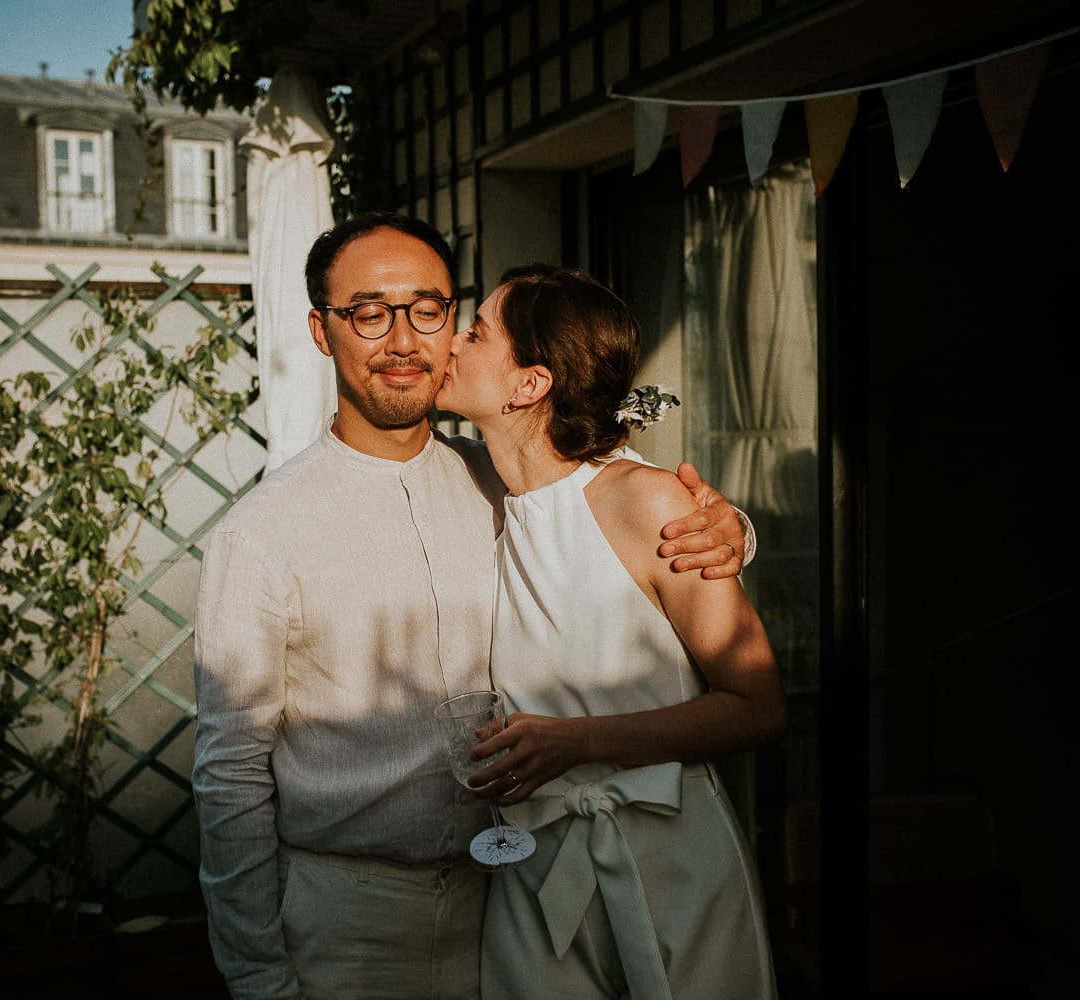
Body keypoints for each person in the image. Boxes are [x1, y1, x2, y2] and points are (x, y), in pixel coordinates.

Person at [192, 212, 753, 1000]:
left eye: (428, 310)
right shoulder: (260, 535)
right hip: (347, 927)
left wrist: (728, 529)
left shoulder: (503, 483)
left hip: (507, 902)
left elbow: (608, 506)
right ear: (323, 332)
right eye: (368, 312)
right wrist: (256, 974)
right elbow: (229, 776)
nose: (403, 340)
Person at [437, 263, 785, 999]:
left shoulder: (649, 501)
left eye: (474, 333)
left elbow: (758, 705)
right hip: (538, 865)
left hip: (668, 857)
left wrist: (575, 741)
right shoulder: (483, 497)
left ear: (529, 384)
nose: (450, 344)